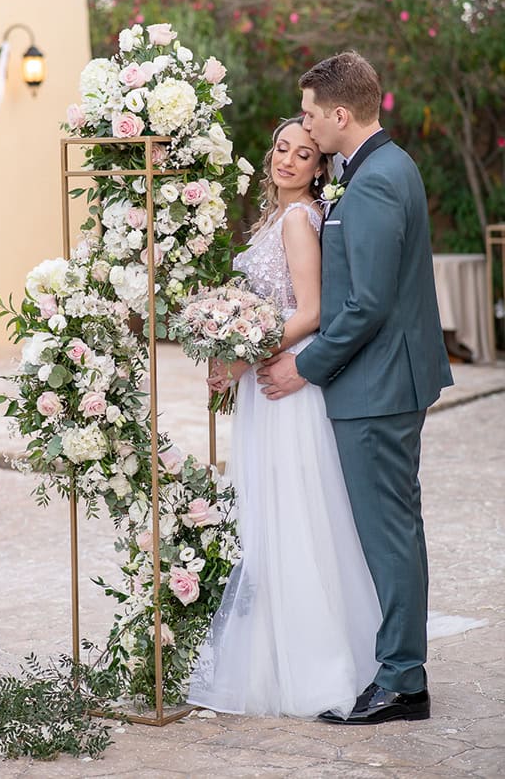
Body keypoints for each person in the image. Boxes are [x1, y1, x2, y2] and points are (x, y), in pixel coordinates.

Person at [257, 52, 453, 724]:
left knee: (390, 532)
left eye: (310, 113)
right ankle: (398, 666)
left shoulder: (372, 182)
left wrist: (304, 367)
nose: (305, 122)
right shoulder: (374, 169)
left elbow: (366, 304)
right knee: (395, 528)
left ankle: (402, 680)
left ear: (341, 115)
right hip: (385, 381)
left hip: (376, 386)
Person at [186, 116, 383, 719]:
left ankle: (318, 662)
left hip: (286, 382)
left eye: (304, 154)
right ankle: (272, 651)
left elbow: (314, 311)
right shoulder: (275, 218)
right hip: (266, 374)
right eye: (281, 149)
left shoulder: (300, 220)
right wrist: (227, 351)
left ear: (320, 168)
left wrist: (246, 356)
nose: (288, 161)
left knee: (294, 508)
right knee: (270, 511)